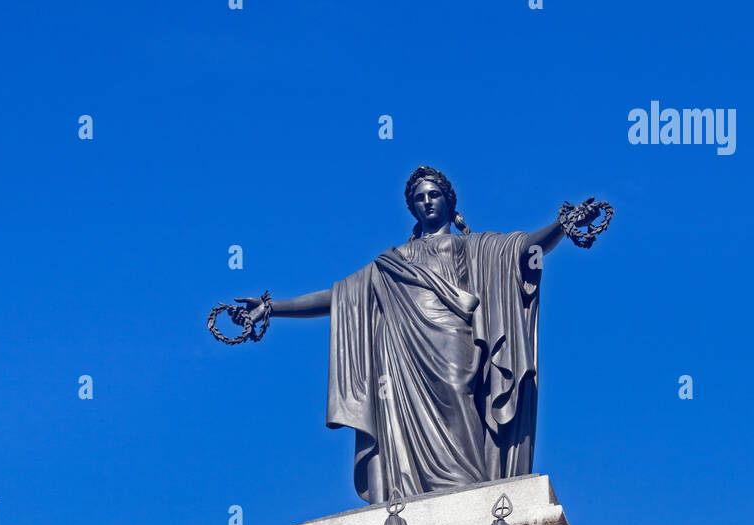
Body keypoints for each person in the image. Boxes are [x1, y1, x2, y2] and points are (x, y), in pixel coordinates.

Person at [230, 166, 570, 502]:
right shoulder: (393, 262)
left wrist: (563, 226)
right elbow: (338, 297)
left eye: (434, 194)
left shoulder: (471, 245)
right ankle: (415, 493)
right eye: (419, 198)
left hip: (452, 336)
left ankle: (468, 488)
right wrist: (274, 307)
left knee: (456, 393)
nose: (427, 202)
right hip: (399, 349)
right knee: (397, 417)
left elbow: (522, 248)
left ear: (450, 202)